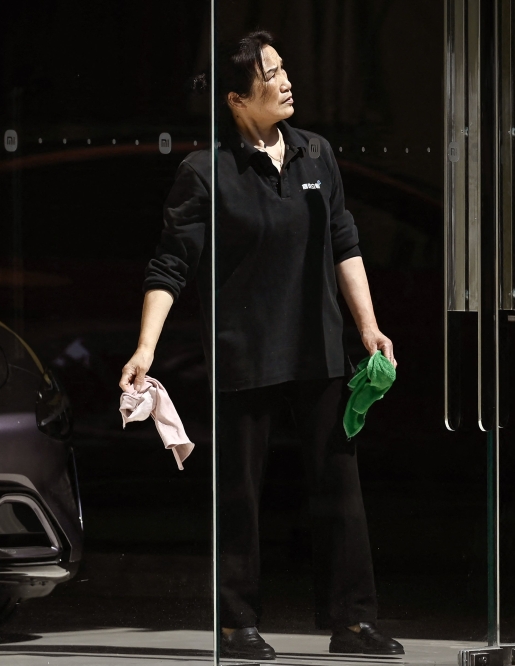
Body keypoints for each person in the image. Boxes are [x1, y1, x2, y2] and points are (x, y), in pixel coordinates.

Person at [119, 30, 403, 660]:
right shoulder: (206, 171)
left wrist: (367, 327)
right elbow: (169, 267)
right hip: (243, 352)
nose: (285, 80)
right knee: (240, 495)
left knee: (340, 490)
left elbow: (344, 243)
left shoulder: (316, 154)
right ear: (236, 99)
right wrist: (145, 351)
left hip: (321, 348)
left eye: (284, 69)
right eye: (271, 74)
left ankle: (353, 623)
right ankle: (235, 624)